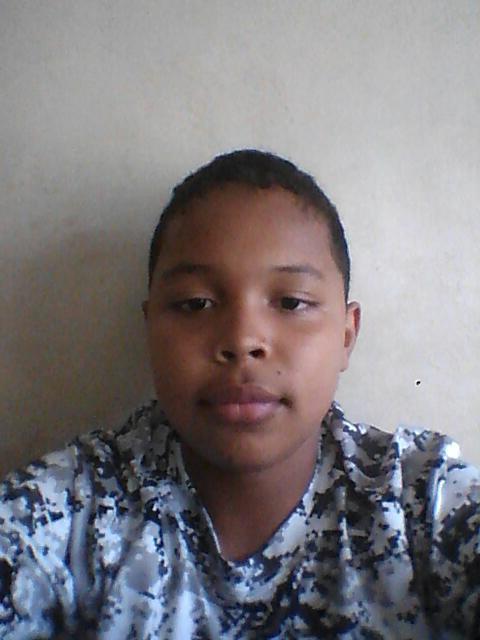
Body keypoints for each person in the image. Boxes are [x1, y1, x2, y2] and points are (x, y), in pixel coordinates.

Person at [0, 150, 479, 640]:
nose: (243, 339)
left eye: (291, 301)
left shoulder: (420, 505)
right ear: (149, 331)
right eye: (196, 303)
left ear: (346, 335)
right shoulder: (70, 514)